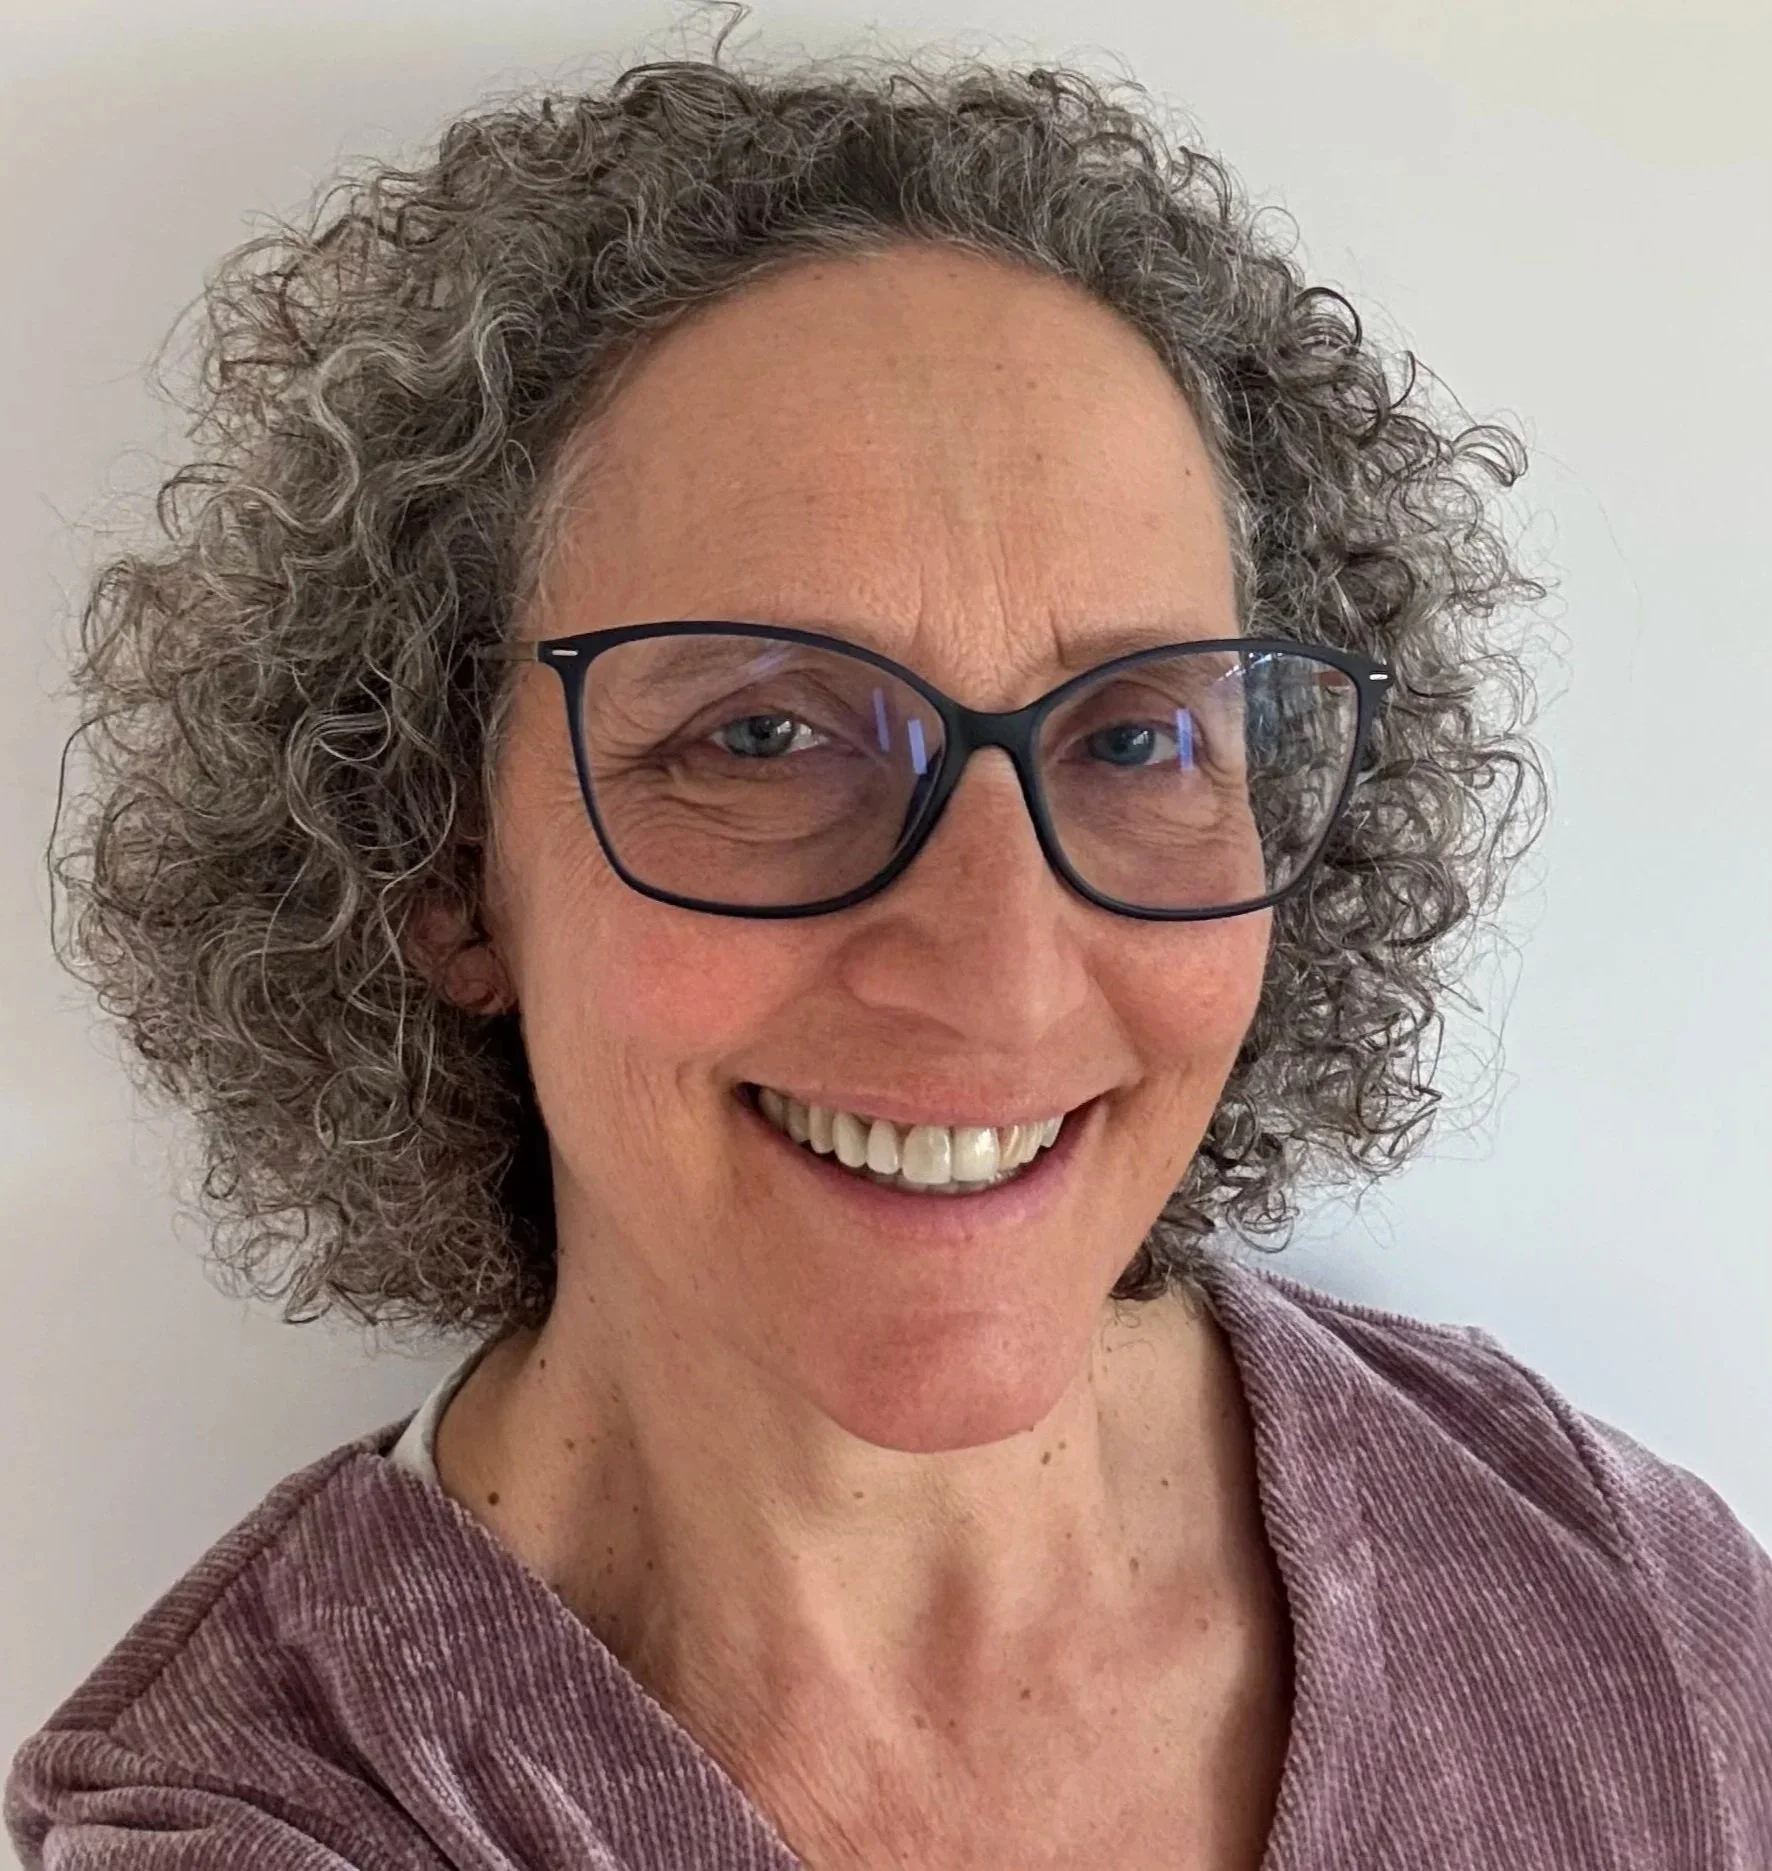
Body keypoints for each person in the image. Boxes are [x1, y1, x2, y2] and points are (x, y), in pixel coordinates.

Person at [7, 31, 1769, 1871]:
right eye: (766, 737)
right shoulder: (280, 1822)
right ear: (446, 869)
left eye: (1140, 736)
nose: (1006, 973)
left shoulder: (1612, 1588)